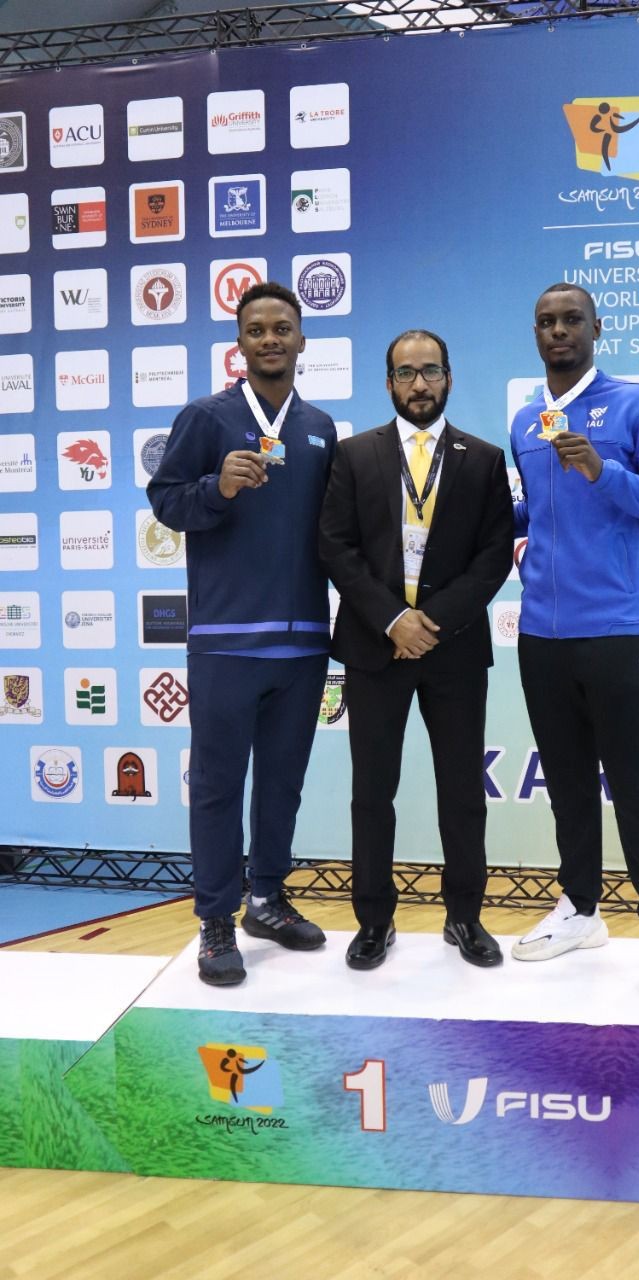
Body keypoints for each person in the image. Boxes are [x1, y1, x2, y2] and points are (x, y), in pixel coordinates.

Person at [509, 283, 639, 1004]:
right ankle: (580, 908)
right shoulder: (527, 420)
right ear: (535, 333)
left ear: (596, 327)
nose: (558, 331)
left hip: (618, 628)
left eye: (571, 320)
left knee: (635, 782)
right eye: (546, 322)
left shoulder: (638, 406)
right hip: (541, 633)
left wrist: (602, 471)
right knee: (566, 782)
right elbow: (533, 512)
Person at [148, 282, 336, 986]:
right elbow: (165, 501)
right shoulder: (206, 417)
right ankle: (216, 919)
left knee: (282, 785)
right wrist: (216, 489)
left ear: (301, 339)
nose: (270, 339)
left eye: (281, 328)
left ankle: (267, 900)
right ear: (240, 343)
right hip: (226, 638)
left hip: (305, 641)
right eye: (256, 329)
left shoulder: (319, 427)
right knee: (218, 786)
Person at [319, 329, 514, 970]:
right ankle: (374, 921)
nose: (419, 384)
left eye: (431, 371)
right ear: (389, 384)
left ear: (449, 378)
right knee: (372, 793)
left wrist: (429, 622)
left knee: (462, 792)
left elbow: (493, 557)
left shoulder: (483, 459)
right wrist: (393, 620)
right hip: (374, 648)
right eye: (406, 373)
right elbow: (335, 547)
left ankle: (465, 917)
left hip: (454, 651)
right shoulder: (353, 455)